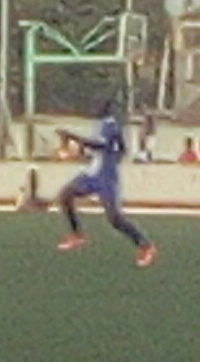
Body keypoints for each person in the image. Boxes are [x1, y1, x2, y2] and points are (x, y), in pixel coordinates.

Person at [50, 105, 156, 267]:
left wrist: (74, 137)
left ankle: (145, 245)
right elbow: (113, 148)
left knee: (114, 218)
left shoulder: (109, 124)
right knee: (65, 195)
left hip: (105, 175)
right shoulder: (102, 124)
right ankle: (76, 234)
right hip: (94, 171)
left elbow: (100, 145)